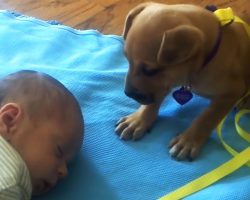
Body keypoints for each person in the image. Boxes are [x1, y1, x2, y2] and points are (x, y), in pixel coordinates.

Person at [0, 70, 84, 199]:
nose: (64, 172)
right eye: (59, 151)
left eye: (67, 163)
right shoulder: (10, 181)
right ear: (9, 120)